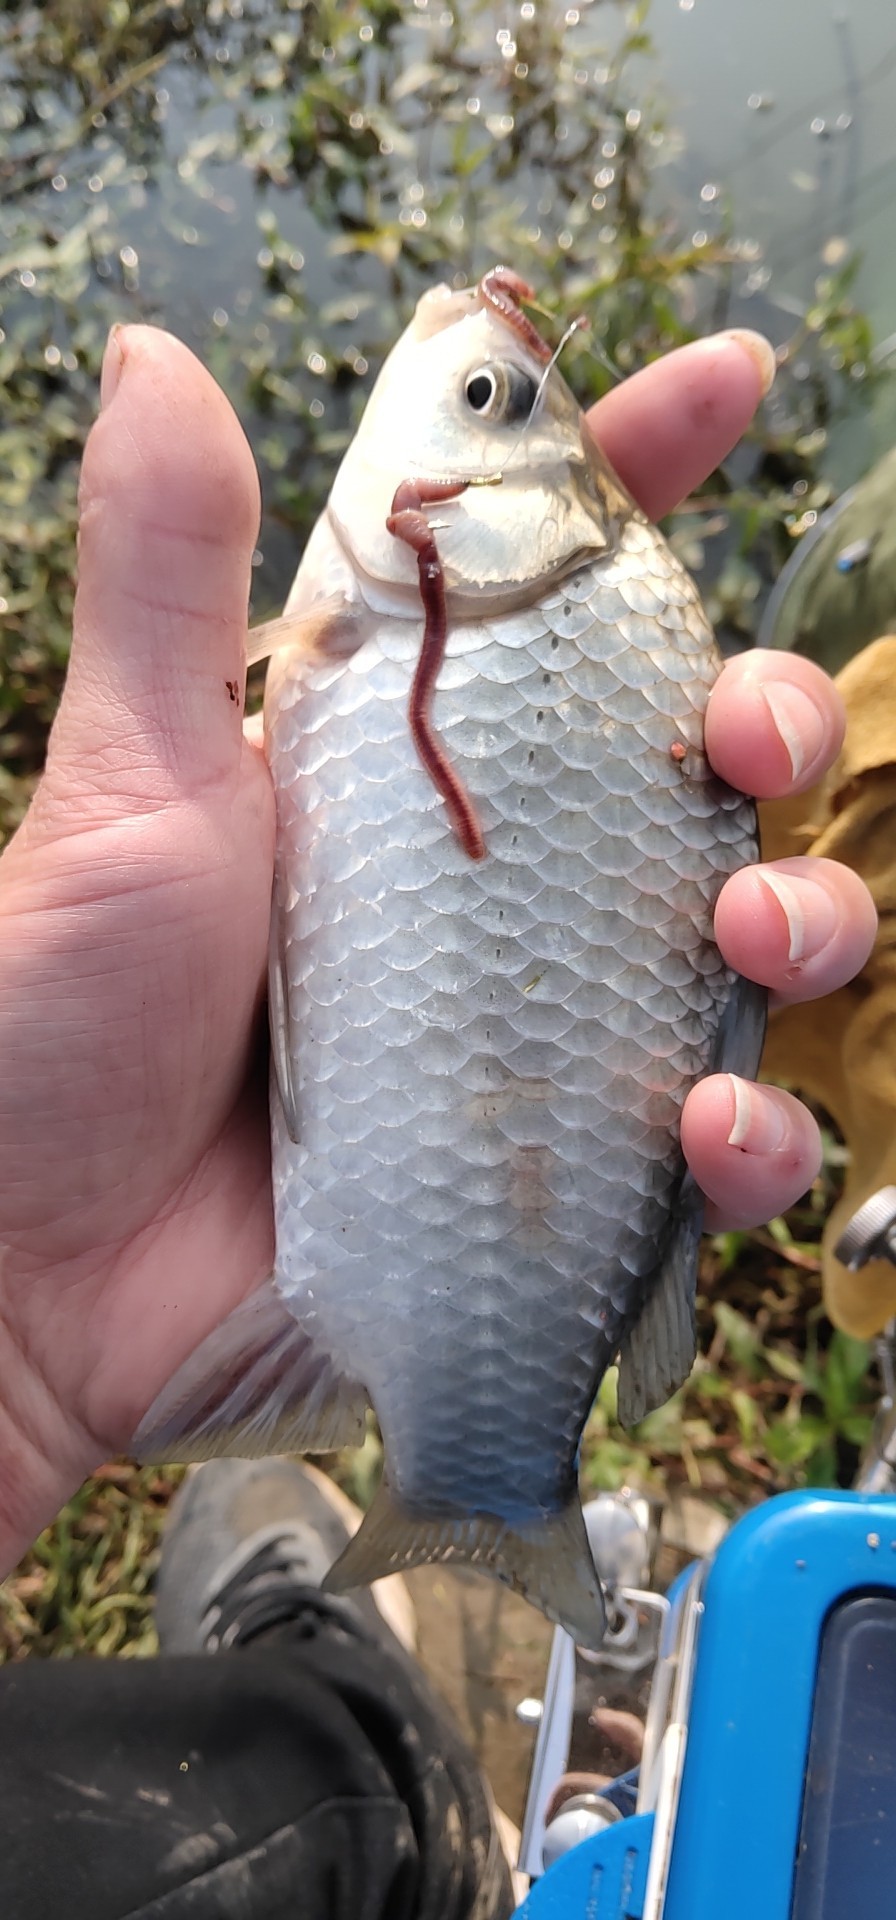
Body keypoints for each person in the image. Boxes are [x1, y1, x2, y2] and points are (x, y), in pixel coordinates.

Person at [0, 324, 877, 1919]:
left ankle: (357, 1661)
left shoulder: (538, 614)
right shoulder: (436, 608)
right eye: (494, 397)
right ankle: (363, 1699)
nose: (462, 365)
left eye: (488, 401)